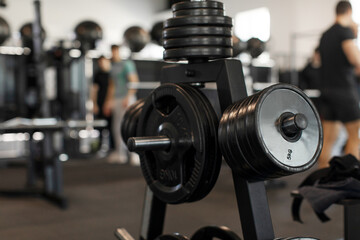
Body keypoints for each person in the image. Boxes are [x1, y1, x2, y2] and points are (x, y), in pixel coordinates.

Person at [318, 1, 360, 168]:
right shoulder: (345, 32)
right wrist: (354, 34)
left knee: (328, 139)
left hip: (327, 91)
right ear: (349, 12)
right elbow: (355, 59)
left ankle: (322, 178)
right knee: (354, 135)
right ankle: (350, 178)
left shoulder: (325, 35)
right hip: (343, 91)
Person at [103, 45, 139, 164]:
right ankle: (120, 154)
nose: (114, 54)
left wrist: (128, 97)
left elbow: (134, 81)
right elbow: (111, 86)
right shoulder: (113, 67)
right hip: (116, 99)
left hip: (126, 98)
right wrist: (108, 101)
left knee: (129, 126)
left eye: (116, 52)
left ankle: (134, 155)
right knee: (116, 127)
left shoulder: (127, 64)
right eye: (112, 52)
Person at [91, 56, 114, 150]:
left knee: (112, 127)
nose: (102, 64)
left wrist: (110, 102)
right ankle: (100, 148)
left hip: (111, 103)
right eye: (100, 62)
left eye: (104, 62)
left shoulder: (112, 74)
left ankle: (113, 148)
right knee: (100, 127)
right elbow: (94, 89)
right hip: (100, 103)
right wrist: (94, 104)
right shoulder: (98, 74)